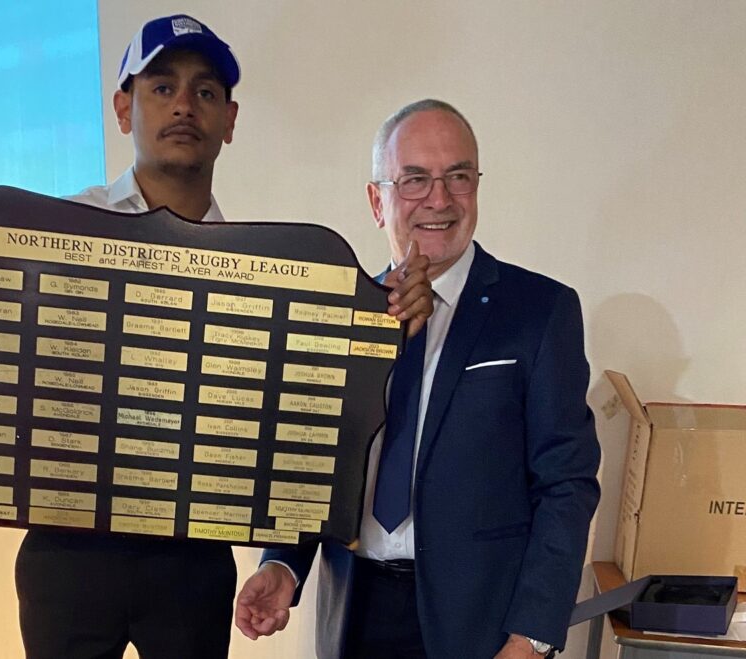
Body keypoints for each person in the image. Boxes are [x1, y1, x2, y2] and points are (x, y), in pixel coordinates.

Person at [0, 16, 434, 659]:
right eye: (161, 86)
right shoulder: (49, 233)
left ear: (230, 120)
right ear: (124, 108)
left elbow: (317, 395)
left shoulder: (265, 272)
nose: (182, 105)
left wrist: (392, 311)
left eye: (205, 92)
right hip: (65, 554)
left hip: (192, 562)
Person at [235, 99, 602, 659]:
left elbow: (567, 486)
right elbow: (314, 465)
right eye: (414, 179)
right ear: (376, 200)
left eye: (458, 176)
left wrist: (532, 636)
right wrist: (284, 565)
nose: (439, 198)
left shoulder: (540, 312)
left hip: (482, 629)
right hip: (353, 613)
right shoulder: (338, 317)